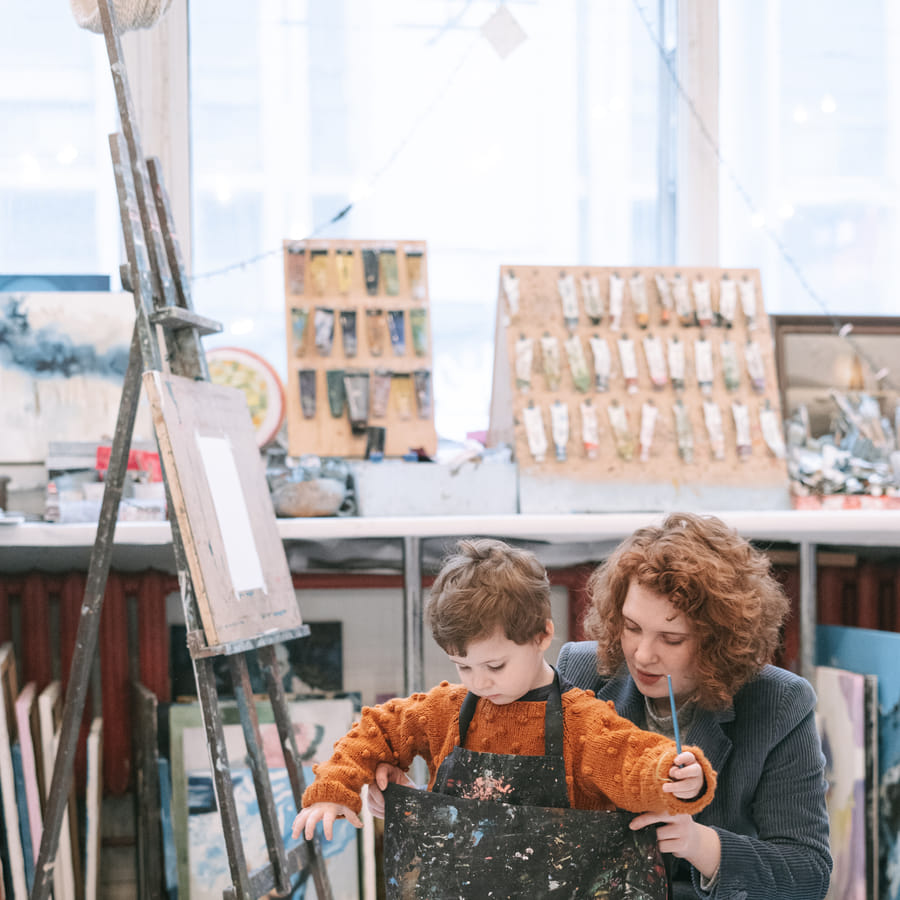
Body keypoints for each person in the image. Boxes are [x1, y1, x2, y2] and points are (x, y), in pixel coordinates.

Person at [370, 515, 832, 900]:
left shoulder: (778, 703)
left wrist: (702, 845)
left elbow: (809, 873)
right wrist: (425, 804)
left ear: (721, 639)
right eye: (631, 627)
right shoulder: (581, 670)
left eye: (671, 639)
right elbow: (517, 809)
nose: (643, 655)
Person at [292, 537, 717, 853]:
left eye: (495, 666)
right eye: (463, 666)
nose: (479, 682)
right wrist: (333, 789)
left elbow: (635, 764)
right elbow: (377, 729)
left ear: (542, 635)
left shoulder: (584, 724)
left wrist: (679, 776)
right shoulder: (446, 709)